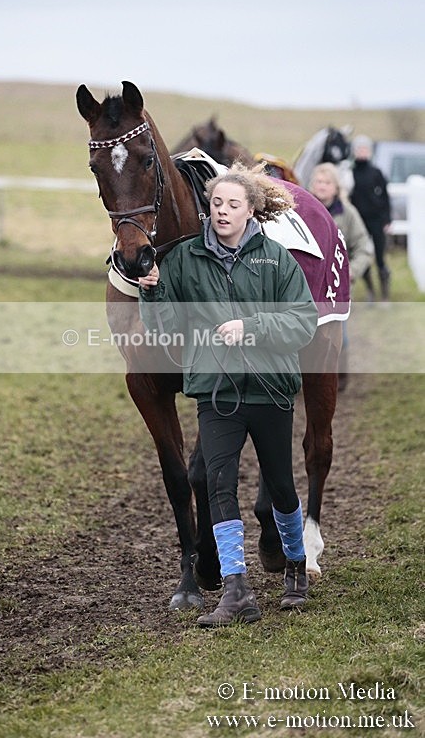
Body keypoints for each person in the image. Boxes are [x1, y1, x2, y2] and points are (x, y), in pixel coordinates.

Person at [138, 163, 319, 627]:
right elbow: (165, 330)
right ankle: (236, 590)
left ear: (250, 210)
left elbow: (302, 322)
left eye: (232, 204)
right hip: (216, 393)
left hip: (269, 389)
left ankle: (295, 566)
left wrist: (251, 328)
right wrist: (153, 296)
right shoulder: (184, 260)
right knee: (218, 487)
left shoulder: (276, 259)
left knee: (280, 484)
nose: (222, 211)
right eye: (216, 203)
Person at [309, 162, 374, 390]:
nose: (322, 186)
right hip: (307, 287)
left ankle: (339, 377)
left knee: (338, 336)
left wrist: (352, 271)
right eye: (318, 181)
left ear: (336, 188)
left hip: (335, 288)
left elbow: (364, 245)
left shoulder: (347, 214)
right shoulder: (302, 211)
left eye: (327, 182)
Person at [350, 135, 392, 301]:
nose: (362, 152)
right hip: (359, 222)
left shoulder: (376, 173)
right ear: (354, 151)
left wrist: (387, 219)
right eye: (359, 149)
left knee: (380, 258)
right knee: (363, 256)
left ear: (370, 152)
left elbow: (385, 198)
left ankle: (385, 295)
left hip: (377, 220)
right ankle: (371, 292)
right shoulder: (350, 174)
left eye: (365, 149)